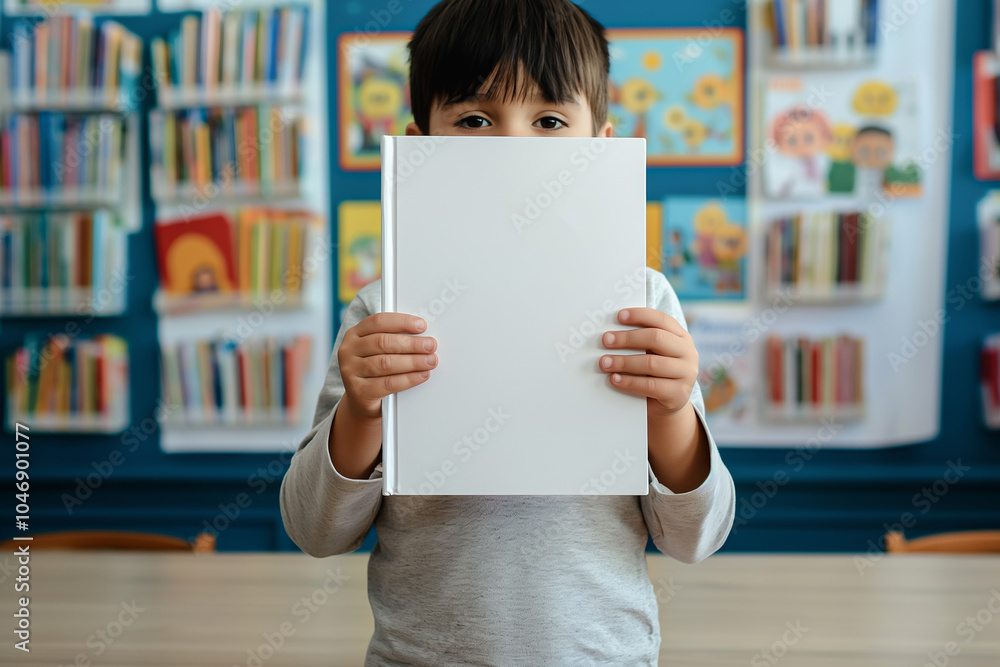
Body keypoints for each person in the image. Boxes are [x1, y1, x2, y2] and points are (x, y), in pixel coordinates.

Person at [279, 1, 735, 664]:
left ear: (601, 146)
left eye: (549, 120)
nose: (512, 147)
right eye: (474, 119)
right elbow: (315, 530)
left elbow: (695, 538)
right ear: (419, 147)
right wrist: (362, 411)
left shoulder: (642, 302)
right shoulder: (383, 311)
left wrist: (670, 414)